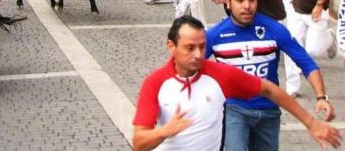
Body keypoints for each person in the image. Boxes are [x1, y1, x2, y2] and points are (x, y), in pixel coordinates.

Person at [132, 15, 342, 151]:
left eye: (202, 47)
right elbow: (139, 142)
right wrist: (165, 131)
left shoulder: (219, 74)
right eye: (189, 48)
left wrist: (312, 124)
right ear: (171, 46)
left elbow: (269, 89)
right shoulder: (155, 83)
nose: (198, 54)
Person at [206, 0, 335, 150]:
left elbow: (306, 63)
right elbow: (187, 66)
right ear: (228, 3)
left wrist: (321, 97)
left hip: (269, 112)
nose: (247, 5)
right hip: (234, 110)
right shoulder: (215, 35)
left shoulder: (274, 29)